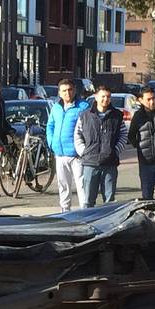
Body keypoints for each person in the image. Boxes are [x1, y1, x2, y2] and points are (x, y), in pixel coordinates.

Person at [73, 84, 127, 206]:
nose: (105, 99)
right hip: (90, 164)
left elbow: (123, 135)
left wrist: (115, 151)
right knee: (88, 201)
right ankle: (86, 223)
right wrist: (84, 152)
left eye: (108, 97)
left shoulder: (117, 116)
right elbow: (77, 135)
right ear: (96, 97)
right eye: (103, 96)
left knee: (109, 201)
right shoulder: (85, 115)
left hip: (110, 164)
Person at [46, 78, 90, 211]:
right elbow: (50, 125)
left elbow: (88, 129)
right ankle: (65, 211)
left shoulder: (83, 107)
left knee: (81, 184)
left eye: (70, 90)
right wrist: (51, 143)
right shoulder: (56, 107)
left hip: (77, 155)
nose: (67, 93)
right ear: (59, 93)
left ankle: (85, 211)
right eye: (64, 90)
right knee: (63, 185)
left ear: (75, 90)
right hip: (59, 153)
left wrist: (82, 149)